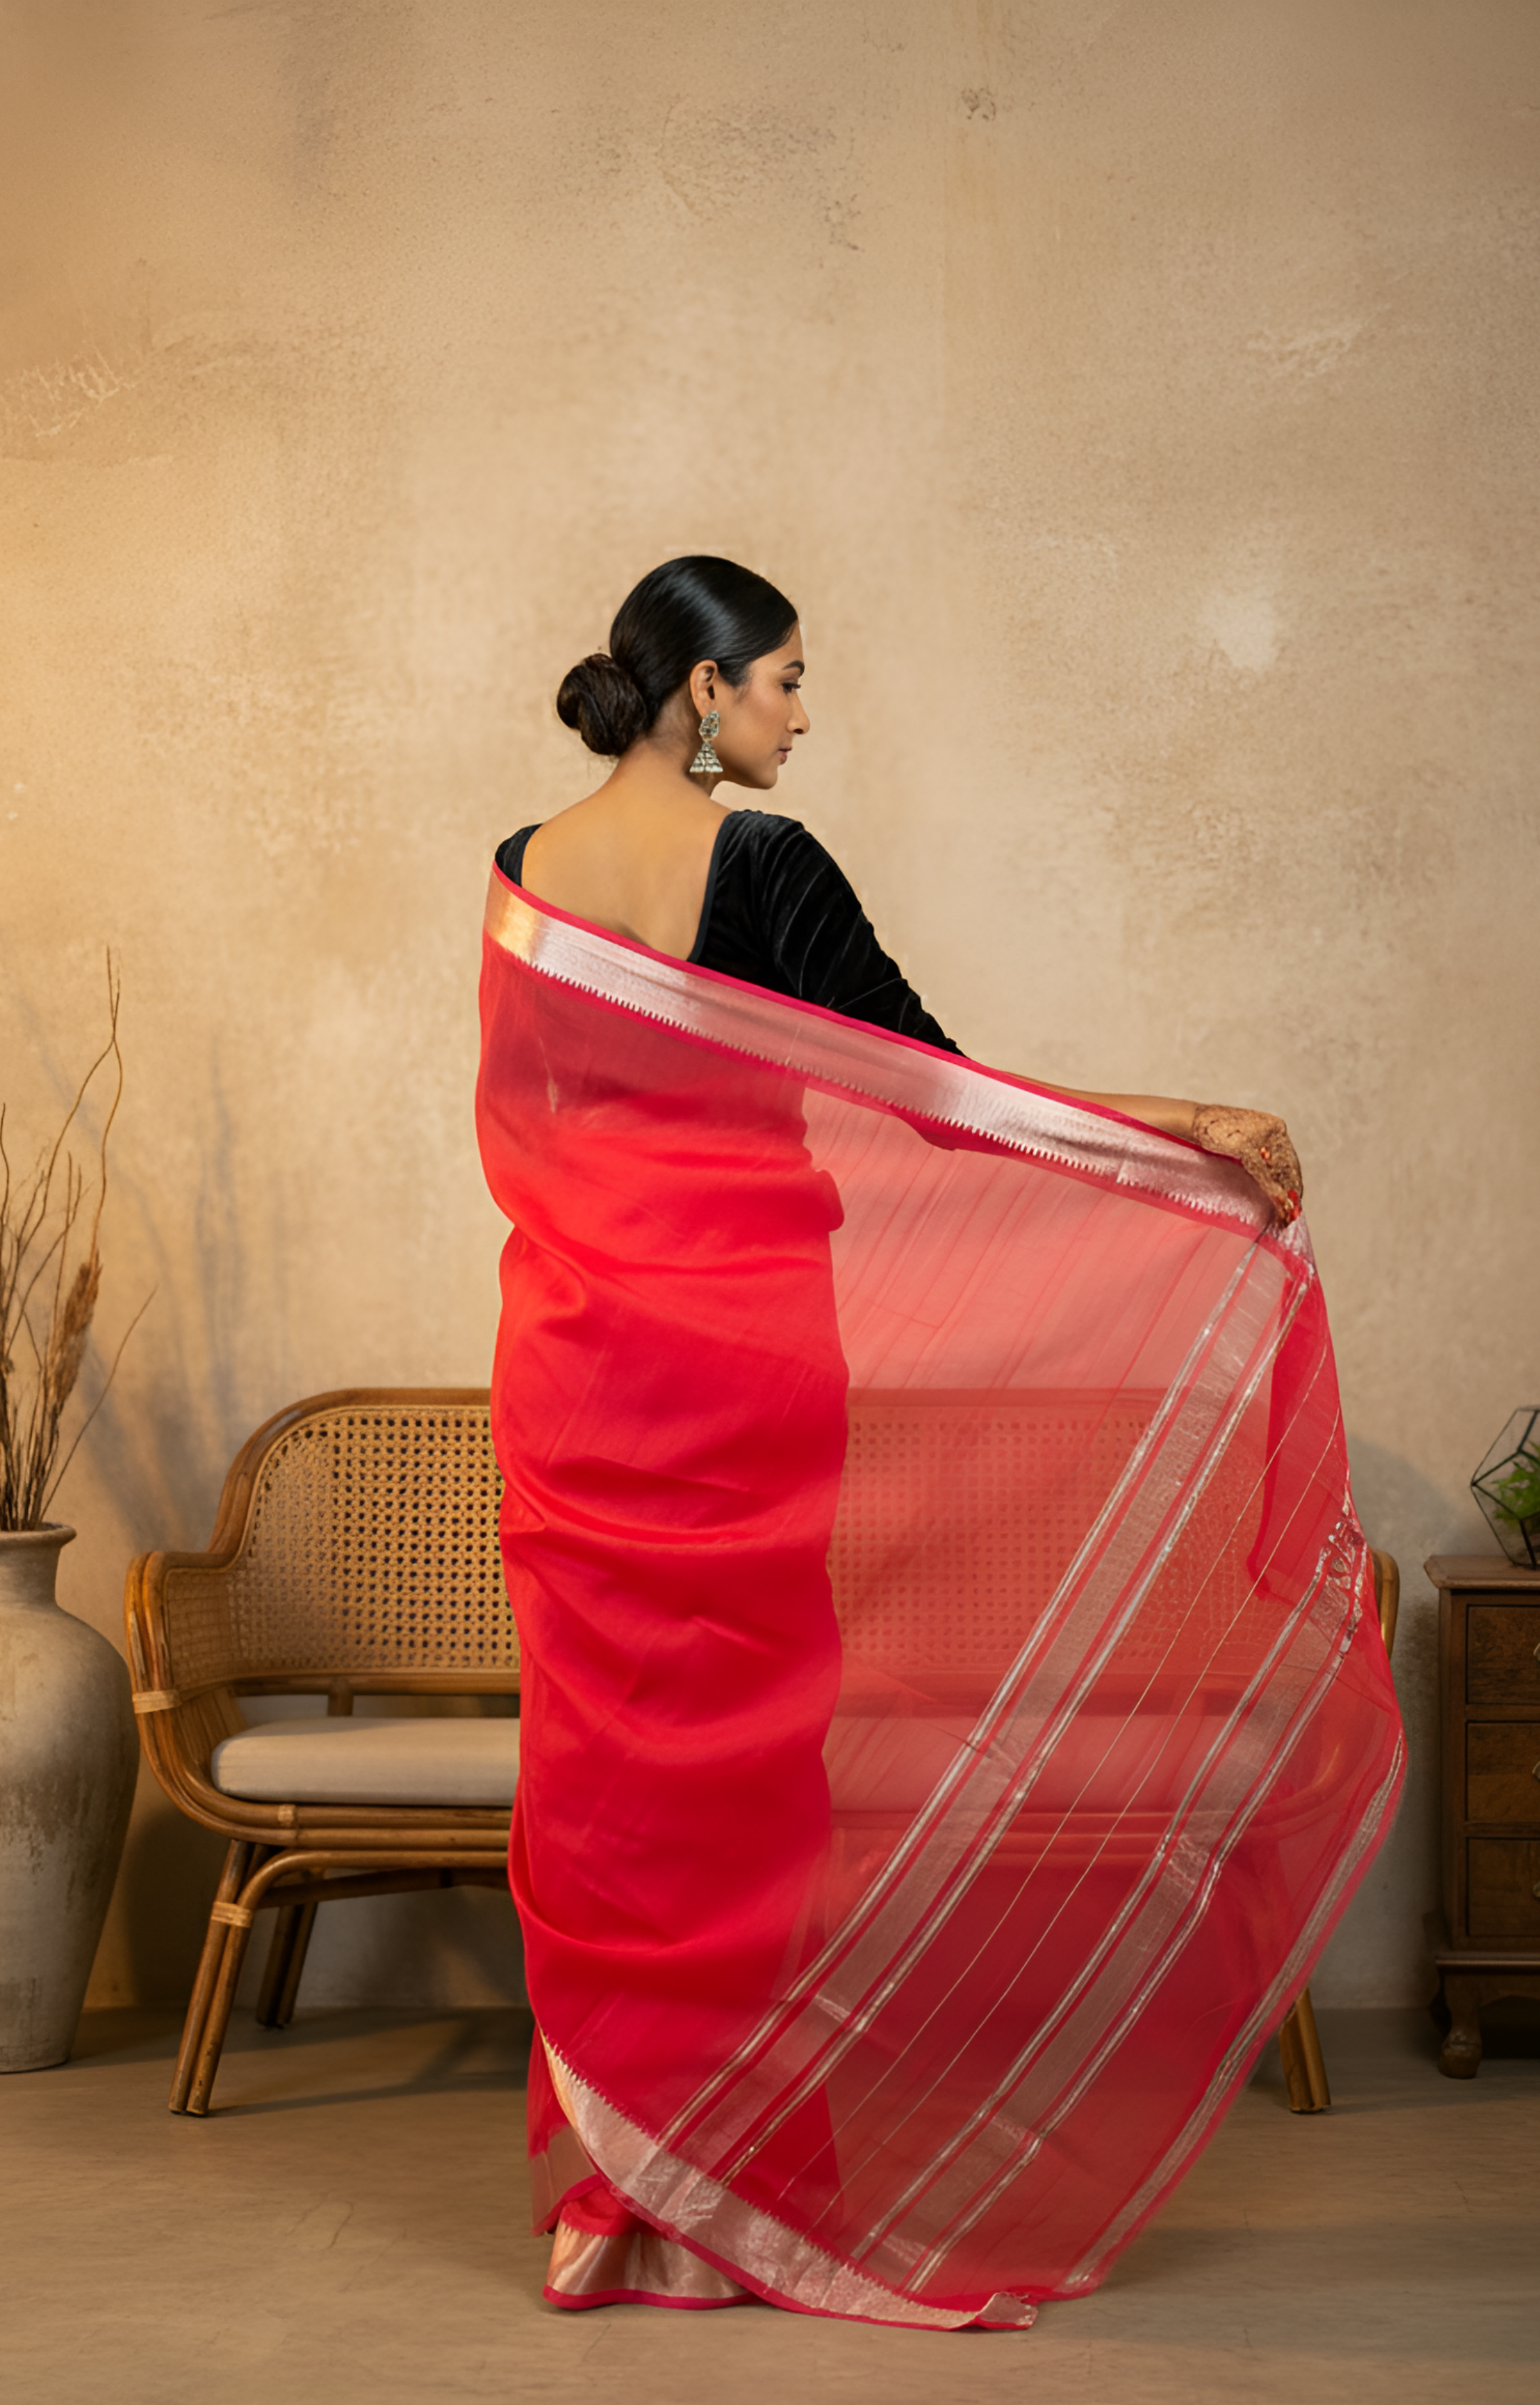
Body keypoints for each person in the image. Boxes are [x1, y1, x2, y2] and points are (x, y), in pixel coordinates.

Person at [475, 557, 1401, 2328]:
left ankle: (618, 2206)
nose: (801, 717)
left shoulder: (524, 880)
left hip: (583, 1377)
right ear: (702, 691)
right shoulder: (762, 866)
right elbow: (941, 1092)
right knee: (746, 1782)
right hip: (746, 1365)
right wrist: (1188, 1128)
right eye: (788, 682)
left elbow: (533, 1138)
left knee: (622, 1784)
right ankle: (734, 2192)